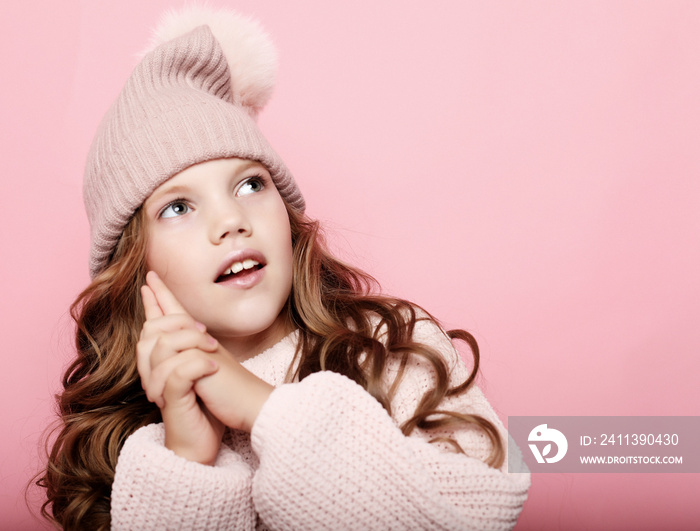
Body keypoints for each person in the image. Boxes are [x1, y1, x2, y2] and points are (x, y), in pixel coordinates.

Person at [39, 7, 530, 530]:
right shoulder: (136, 441)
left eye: (250, 184)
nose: (231, 220)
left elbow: (482, 516)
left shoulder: (393, 347)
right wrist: (189, 461)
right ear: (133, 268)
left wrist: (263, 410)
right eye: (178, 207)